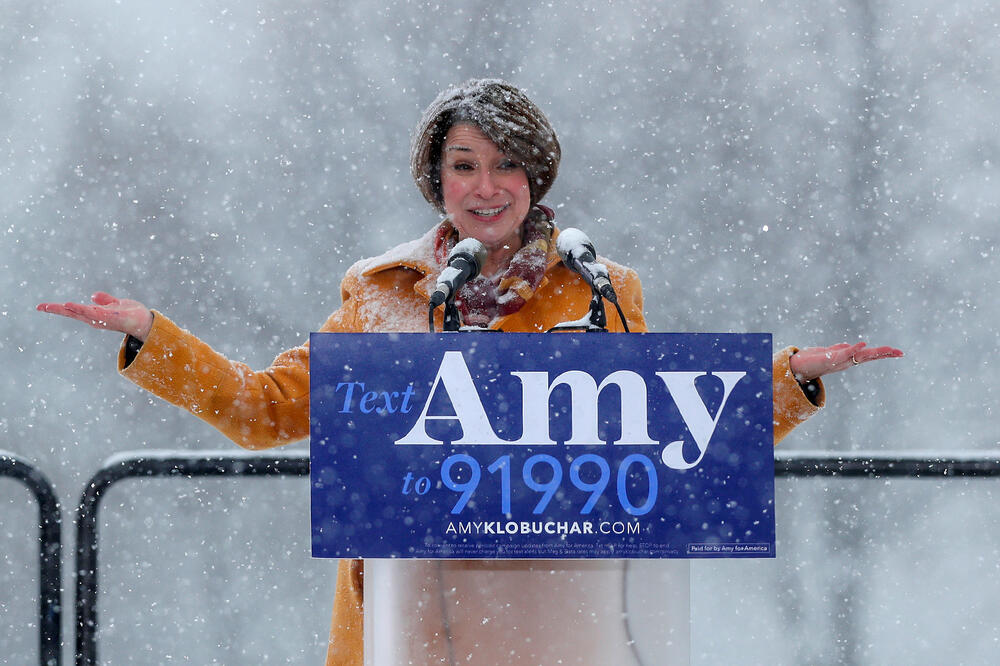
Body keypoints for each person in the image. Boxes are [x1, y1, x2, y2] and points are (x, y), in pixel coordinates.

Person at [39, 79, 902, 665]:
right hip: (409, 624)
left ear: (536, 174)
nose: (486, 186)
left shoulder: (600, 289)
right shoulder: (379, 297)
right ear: (436, 180)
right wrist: (153, 335)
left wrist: (792, 378)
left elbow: (670, 430)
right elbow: (263, 412)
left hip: (562, 621)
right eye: (464, 165)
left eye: (505, 163)